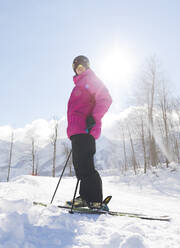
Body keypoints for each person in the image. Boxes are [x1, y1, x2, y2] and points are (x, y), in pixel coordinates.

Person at [66, 55, 112, 209]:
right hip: (77, 130)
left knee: (85, 165)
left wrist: (94, 116)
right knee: (79, 165)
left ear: (87, 67)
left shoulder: (91, 80)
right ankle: (85, 197)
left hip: (86, 128)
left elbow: (105, 99)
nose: (79, 70)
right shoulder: (78, 85)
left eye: (81, 67)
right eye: (77, 68)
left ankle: (95, 199)